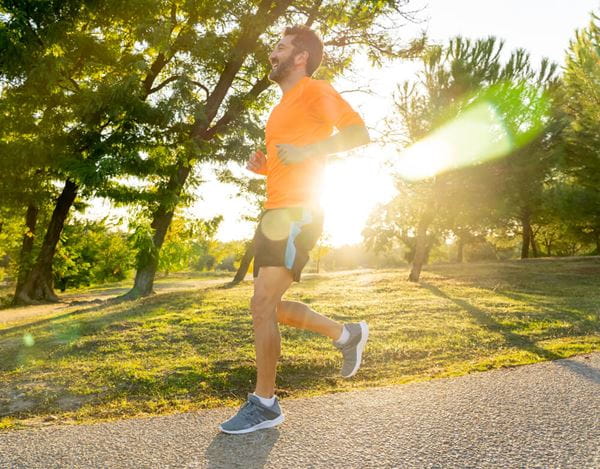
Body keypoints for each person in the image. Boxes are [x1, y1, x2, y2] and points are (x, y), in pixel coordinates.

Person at [219, 25, 371, 435]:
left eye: (281, 47)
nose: (273, 52)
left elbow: (360, 134)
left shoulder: (315, 89)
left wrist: (307, 150)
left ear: (300, 56)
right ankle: (346, 333)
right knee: (270, 307)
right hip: (274, 213)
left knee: (263, 306)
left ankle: (265, 403)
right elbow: (292, 161)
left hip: (300, 212)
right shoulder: (280, 108)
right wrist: (265, 167)